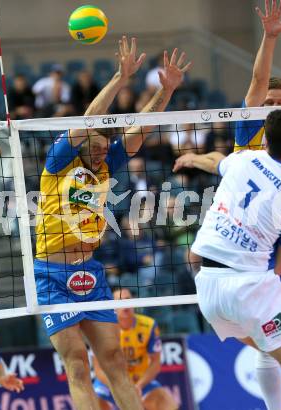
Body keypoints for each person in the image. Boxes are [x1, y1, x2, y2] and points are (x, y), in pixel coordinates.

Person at [175, 2, 281, 409]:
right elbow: (257, 78)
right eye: (266, 101)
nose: (271, 105)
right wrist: (268, 36)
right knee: (269, 345)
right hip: (246, 251)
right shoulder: (250, 130)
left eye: (277, 102)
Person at [34, 36, 191, 410]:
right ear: (85, 141)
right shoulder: (60, 161)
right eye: (98, 142)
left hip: (89, 270)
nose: (104, 147)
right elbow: (89, 121)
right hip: (52, 276)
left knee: (115, 362)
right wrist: (121, 79)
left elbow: (141, 130)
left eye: (108, 144)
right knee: (76, 365)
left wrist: (165, 92)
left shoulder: (106, 165)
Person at [190, 109, 281, 409]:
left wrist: (191, 159)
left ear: (264, 138)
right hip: (247, 289)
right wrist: (272, 281)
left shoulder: (243, 160)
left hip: (208, 291)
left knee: (268, 348)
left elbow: (217, 161)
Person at [92, 288, 177, 410]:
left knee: (166, 402)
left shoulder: (149, 325)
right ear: (112, 306)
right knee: (93, 402)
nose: (125, 304)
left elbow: (156, 363)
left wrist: (139, 385)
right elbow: (98, 370)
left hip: (139, 381)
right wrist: (120, 387)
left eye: (127, 300)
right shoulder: (103, 329)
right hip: (111, 382)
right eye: (119, 301)